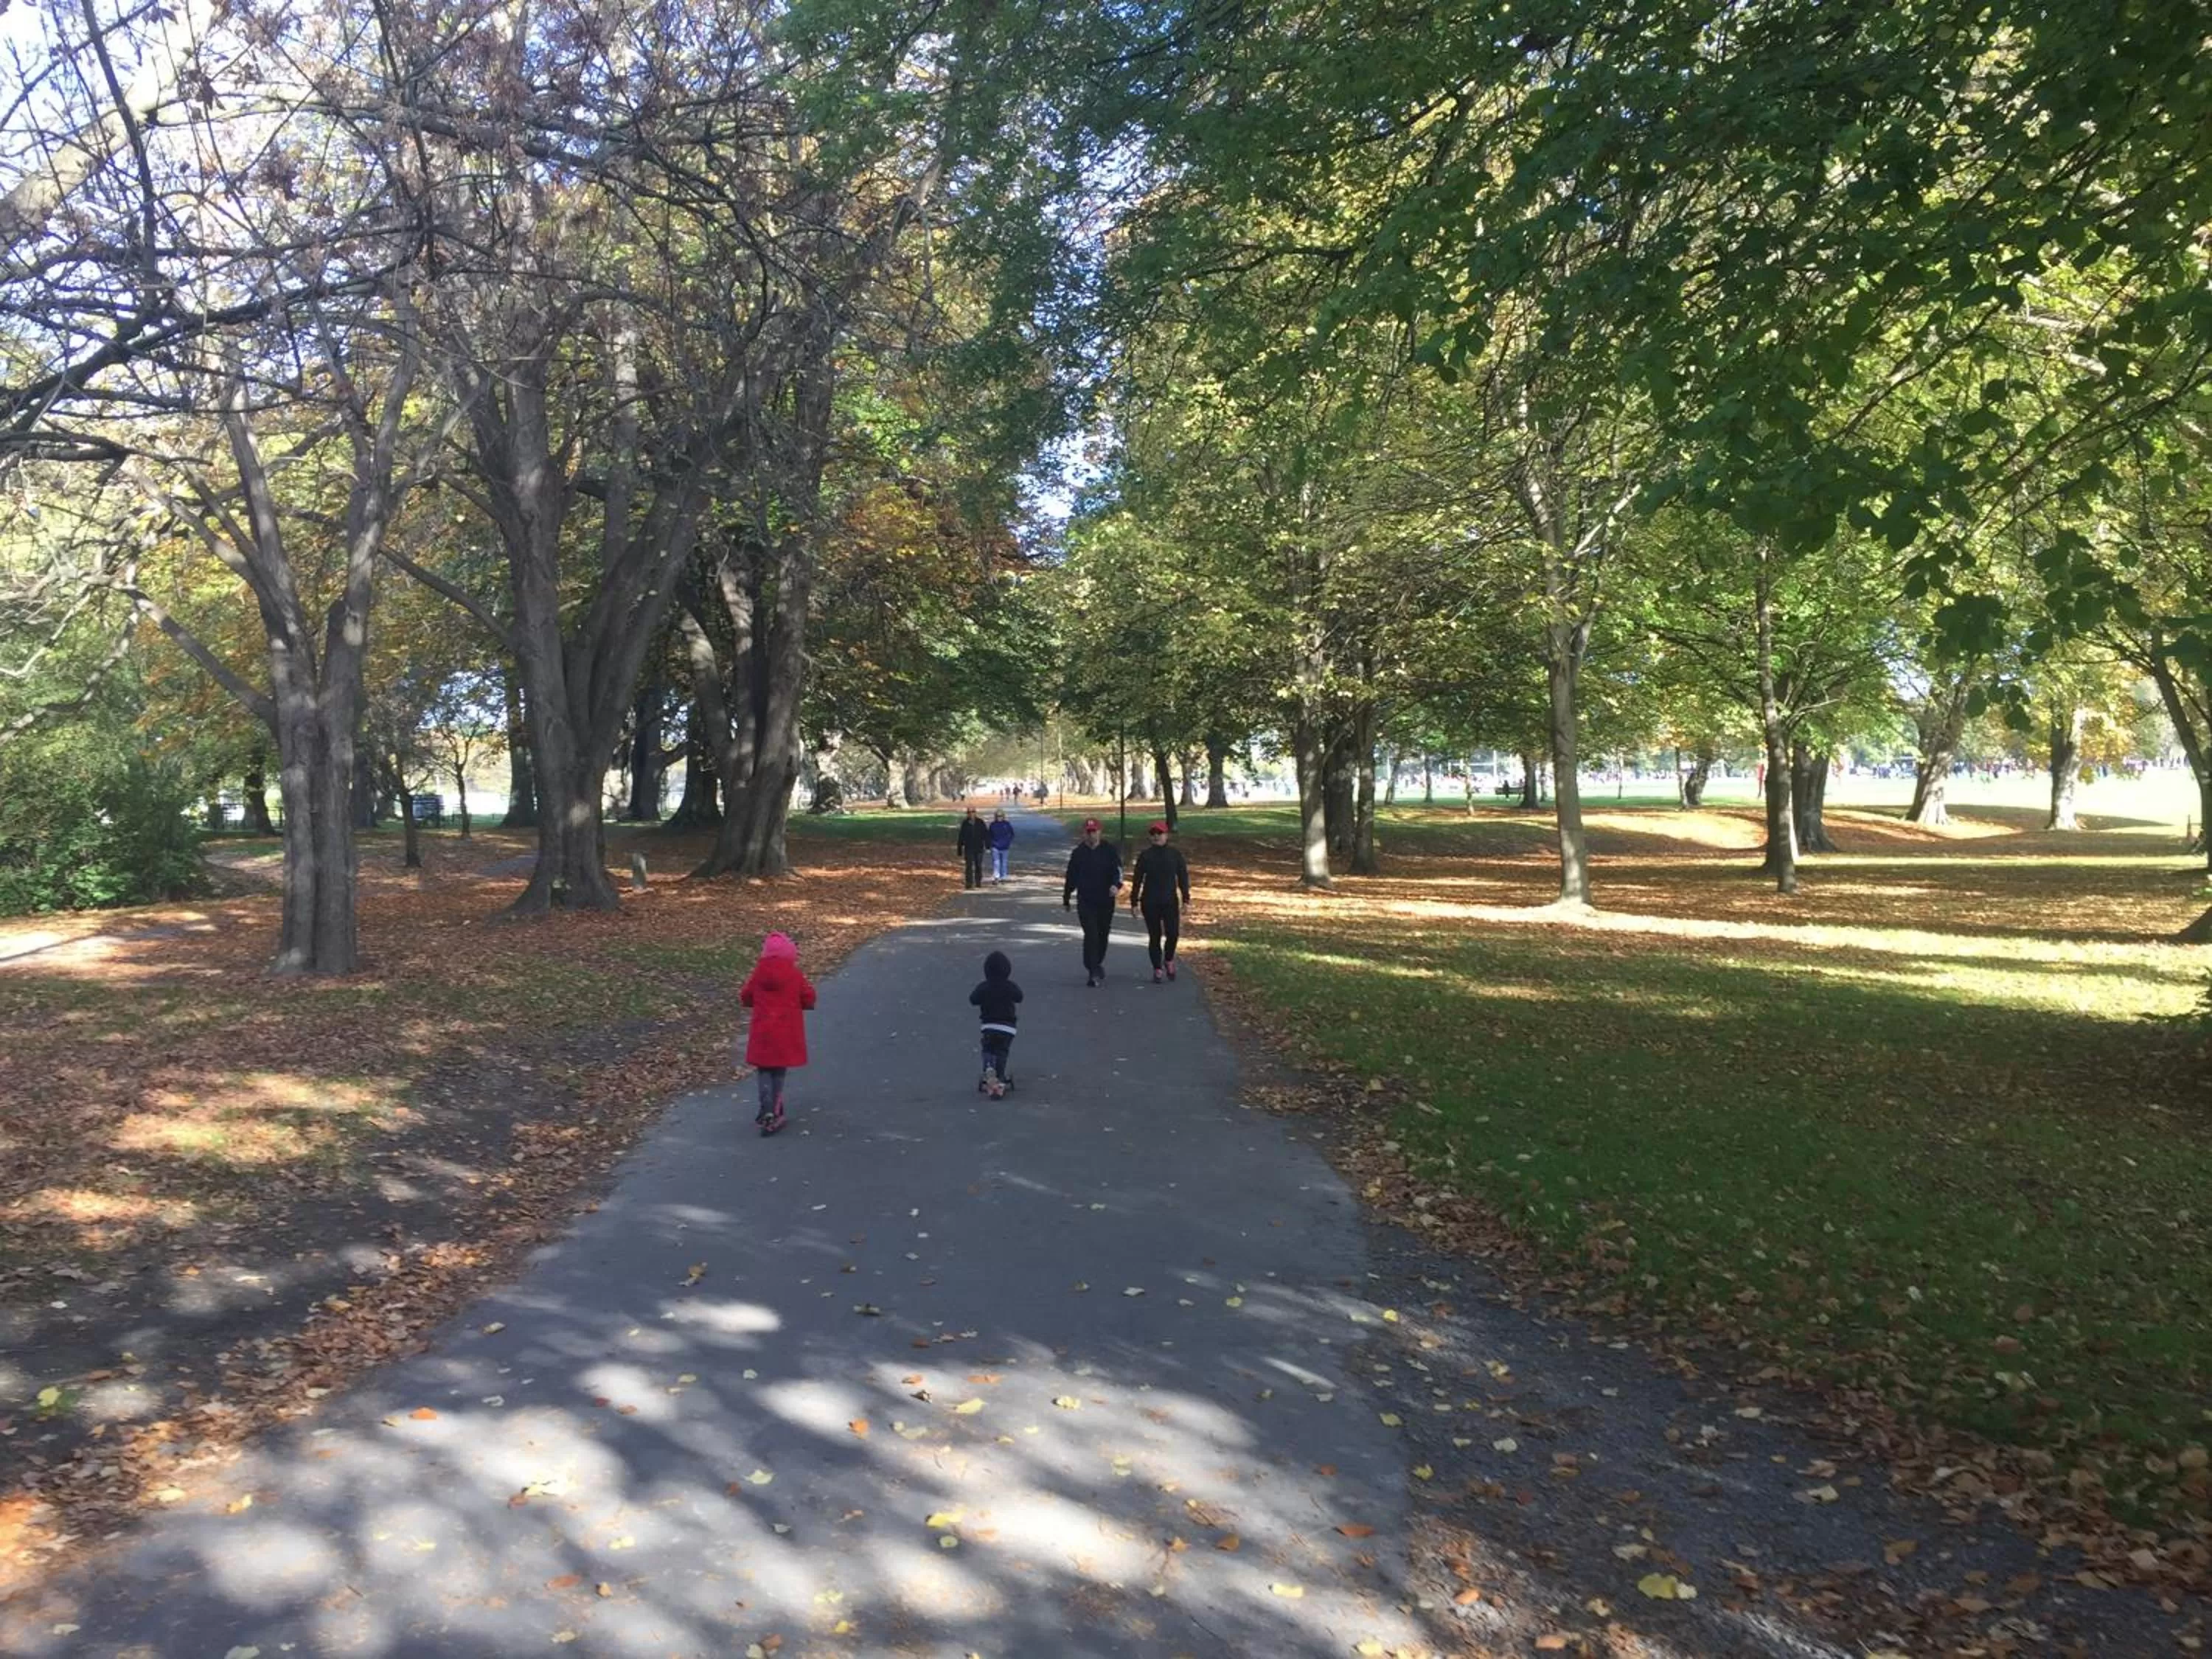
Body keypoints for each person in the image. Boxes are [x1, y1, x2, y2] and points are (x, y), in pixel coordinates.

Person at [738, 931, 815, 1136]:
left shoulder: (759, 973)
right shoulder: (793, 974)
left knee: (764, 1069)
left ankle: (766, 1106)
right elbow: (808, 995)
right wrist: (806, 1004)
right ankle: (775, 1110)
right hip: (785, 1031)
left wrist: (751, 1002)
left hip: (763, 1031)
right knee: (779, 1071)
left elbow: (746, 995)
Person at [1062, 817, 1123, 987]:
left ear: (1100, 832)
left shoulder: (1109, 851)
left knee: (1103, 934)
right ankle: (1093, 970)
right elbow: (1071, 876)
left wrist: (1116, 885)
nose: (1091, 835)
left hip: (1105, 900)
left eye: (1094, 831)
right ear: (1084, 834)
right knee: (1091, 934)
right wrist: (1066, 897)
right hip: (1086, 900)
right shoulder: (1079, 853)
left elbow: (1118, 871)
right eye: (1088, 832)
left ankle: (1095, 963)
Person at [1128, 819, 1192, 982]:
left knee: (1173, 934)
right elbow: (1137, 880)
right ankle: (1157, 968)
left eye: (1160, 833)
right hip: (1150, 901)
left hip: (1170, 900)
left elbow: (1183, 877)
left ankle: (1168, 959)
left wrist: (1186, 899)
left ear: (1166, 835)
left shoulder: (1175, 855)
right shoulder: (1145, 856)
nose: (1156, 836)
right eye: (1153, 834)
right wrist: (1134, 902)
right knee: (1154, 936)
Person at [968, 948, 1023, 1096]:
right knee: (1002, 1051)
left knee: (988, 1049)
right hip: (1007, 1027)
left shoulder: (984, 986)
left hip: (989, 1026)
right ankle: (1000, 1076)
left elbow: (973, 999)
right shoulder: (1010, 986)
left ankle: (989, 1068)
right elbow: (1019, 997)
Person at [956, 807, 988, 889]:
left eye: (973, 812)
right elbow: (961, 836)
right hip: (969, 848)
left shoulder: (980, 822)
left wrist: (988, 845)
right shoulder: (965, 823)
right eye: (969, 812)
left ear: (975, 813)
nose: (971, 814)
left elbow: (986, 835)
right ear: (967, 814)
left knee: (978, 865)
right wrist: (959, 849)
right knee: (969, 866)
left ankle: (978, 882)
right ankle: (969, 883)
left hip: (979, 848)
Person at [987, 809, 1015, 883]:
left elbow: (1012, 834)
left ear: (1003, 816)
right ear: (995, 817)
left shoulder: (1007, 824)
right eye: (998, 816)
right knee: (996, 862)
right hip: (995, 847)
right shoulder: (993, 825)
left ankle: (1003, 877)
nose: (999, 817)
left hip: (1005, 847)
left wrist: (1008, 842)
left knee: (1004, 862)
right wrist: (991, 844)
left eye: (1001, 816)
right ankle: (997, 877)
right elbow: (989, 835)